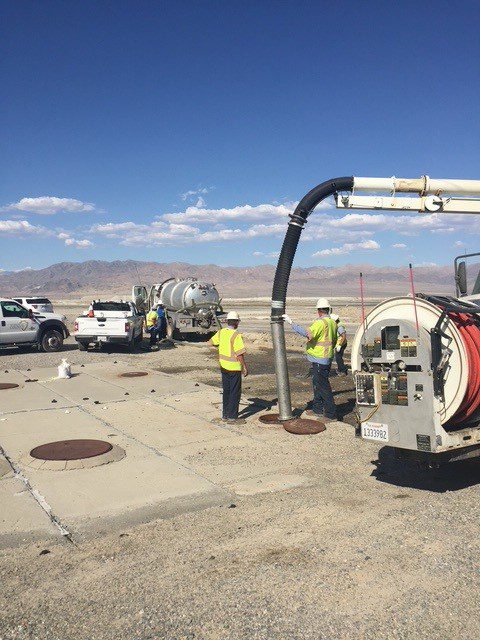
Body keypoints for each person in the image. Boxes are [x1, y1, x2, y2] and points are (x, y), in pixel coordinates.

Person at [283, 298, 341, 423]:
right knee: (317, 384)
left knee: (323, 386)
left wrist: (291, 323)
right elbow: (334, 340)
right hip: (326, 358)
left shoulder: (320, 323)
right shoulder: (332, 323)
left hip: (320, 359)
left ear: (319, 311)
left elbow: (307, 333)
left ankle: (331, 414)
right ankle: (317, 409)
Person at [209, 311, 248, 423]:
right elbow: (239, 354)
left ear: (227, 321)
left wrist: (221, 346)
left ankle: (225, 415)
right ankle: (232, 417)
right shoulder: (236, 335)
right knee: (234, 392)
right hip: (234, 368)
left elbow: (210, 342)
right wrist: (244, 367)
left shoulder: (221, 332)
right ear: (236, 322)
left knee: (226, 391)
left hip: (223, 367)